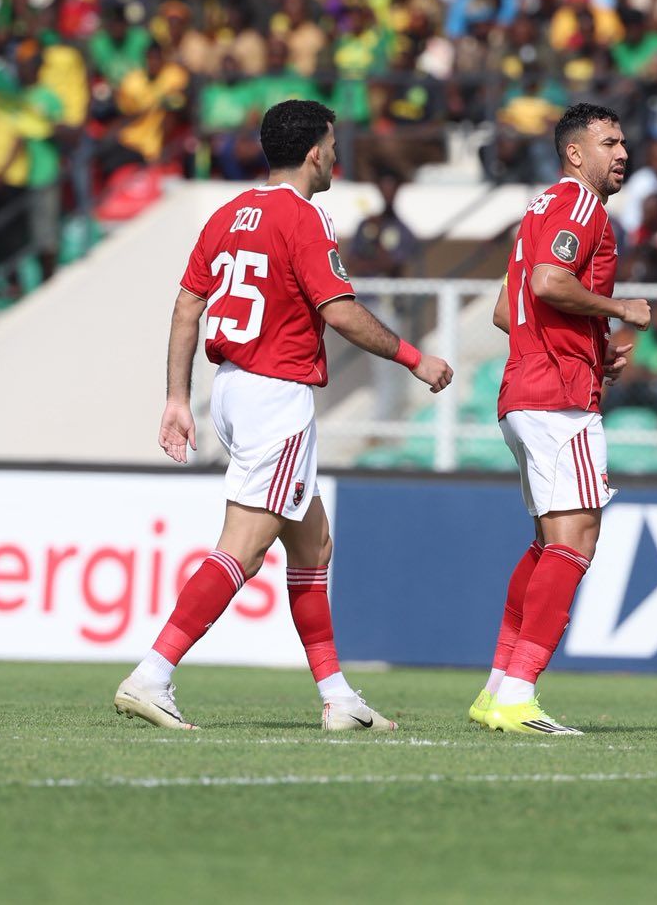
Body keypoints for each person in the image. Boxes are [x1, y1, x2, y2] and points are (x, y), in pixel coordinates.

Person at [116, 99, 454, 733]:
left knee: (314, 542)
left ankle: (338, 698)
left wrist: (176, 398)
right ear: (312, 153)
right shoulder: (304, 219)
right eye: (330, 145)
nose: (335, 155)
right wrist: (415, 357)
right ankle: (152, 674)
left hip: (236, 389)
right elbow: (341, 311)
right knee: (241, 550)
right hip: (277, 394)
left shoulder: (227, 214)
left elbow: (188, 307)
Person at [475, 103, 651, 736]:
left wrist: (595, 348)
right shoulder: (580, 206)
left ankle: (498, 686)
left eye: (624, 141)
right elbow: (550, 283)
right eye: (610, 141)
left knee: (551, 543)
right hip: (558, 399)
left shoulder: (539, 209)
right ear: (576, 153)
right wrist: (618, 306)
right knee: (576, 542)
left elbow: (506, 307)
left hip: (528, 389)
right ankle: (520, 694)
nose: (623, 152)